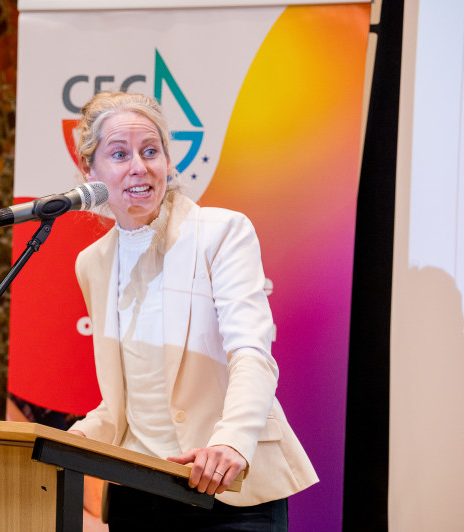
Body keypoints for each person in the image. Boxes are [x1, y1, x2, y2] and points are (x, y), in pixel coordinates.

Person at [66, 91, 318, 531]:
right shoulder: (92, 263)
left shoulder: (221, 233)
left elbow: (252, 353)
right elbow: (125, 401)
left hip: (228, 489)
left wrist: (232, 443)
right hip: (137, 492)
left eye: (151, 151)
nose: (139, 167)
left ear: (168, 160)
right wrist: (72, 439)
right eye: (119, 154)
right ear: (90, 171)